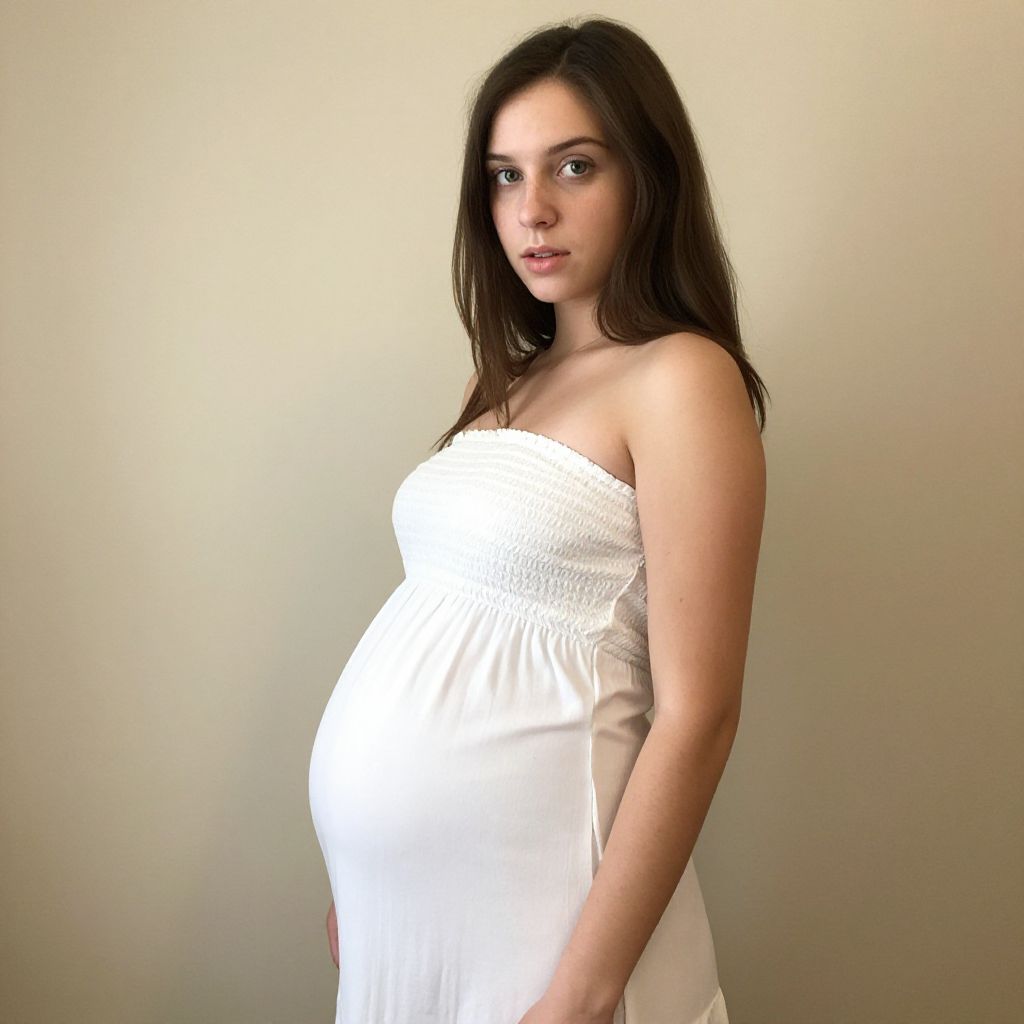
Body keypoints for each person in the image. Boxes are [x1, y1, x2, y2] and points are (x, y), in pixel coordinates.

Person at [308, 16, 767, 1024]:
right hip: (410, 928)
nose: (533, 210)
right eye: (505, 176)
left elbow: (699, 715)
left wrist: (581, 996)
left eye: (574, 166)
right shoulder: (503, 382)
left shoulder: (681, 378)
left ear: (648, 175)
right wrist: (369, 872)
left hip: (552, 939)